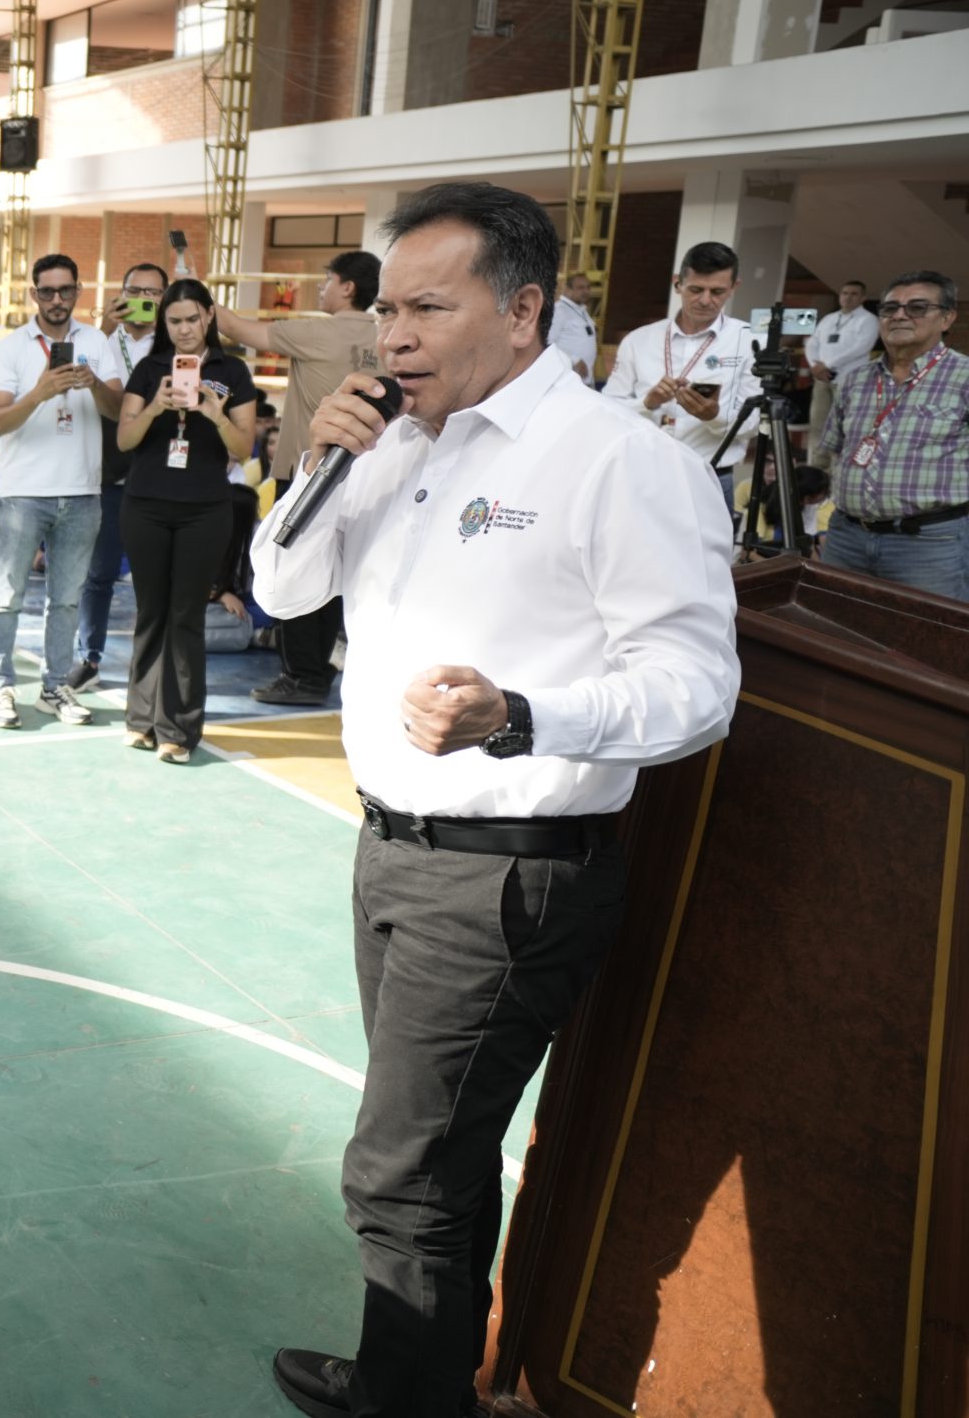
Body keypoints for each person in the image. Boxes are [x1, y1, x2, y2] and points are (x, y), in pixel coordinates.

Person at [254, 181, 738, 1418]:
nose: (392, 337)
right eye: (387, 312)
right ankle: (411, 1382)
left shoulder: (616, 462)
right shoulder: (397, 444)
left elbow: (696, 686)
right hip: (393, 851)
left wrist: (518, 714)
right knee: (441, 1163)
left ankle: (409, 1400)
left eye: (426, 308)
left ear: (523, 312)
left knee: (400, 1174)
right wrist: (320, 465)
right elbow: (282, 592)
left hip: (506, 872)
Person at [218, 249, 383, 708]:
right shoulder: (384, 335)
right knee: (334, 578)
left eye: (328, 280)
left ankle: (302, 675)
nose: (321, 288)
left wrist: (192, 288)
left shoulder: (317, 331)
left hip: (310, 471)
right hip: (364, 475)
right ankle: (318, 667)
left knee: (293, 570)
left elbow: (237, 328)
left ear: (348, 287)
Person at [0, 254, 125, 730]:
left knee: (66, 599)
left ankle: (55, 686)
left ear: (78, 291)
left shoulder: (96, 341)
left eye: (65, 290)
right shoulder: (10, 348)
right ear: (33, 294)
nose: (57, 299)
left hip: (82, 490)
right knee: (7, 595)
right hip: (23, 491)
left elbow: (118, 409)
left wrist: (93, 383)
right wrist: (40, 391)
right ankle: (1, 687)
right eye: (47, 291)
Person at [114, 278, 257, 761]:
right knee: (151, 613)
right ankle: (141, 720)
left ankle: (178, 729)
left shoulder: (232, 371)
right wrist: (156, 406)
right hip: (145, 504)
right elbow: (125, 440)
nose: (184, 329)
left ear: (209, 316)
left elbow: (244, 447)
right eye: (174, 321)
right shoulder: (150, 369)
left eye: (192, 319)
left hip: (205, 509)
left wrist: (215, 415)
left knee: (186, 617)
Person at [817, 271, 967, 600]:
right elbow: (835, 451)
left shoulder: (964, 378)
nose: (899, 315)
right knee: (836, 624)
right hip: (846, 538)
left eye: (917, 307)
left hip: (930, 545)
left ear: (947, 318)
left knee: (927, 630)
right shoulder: (855, 380)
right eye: (889, 308)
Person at [74, 262, 168, 691]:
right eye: (135, 290)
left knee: (156, 578)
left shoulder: (174, 346)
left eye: (153, 293)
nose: (143, 300)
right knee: (99, 573)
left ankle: (152, 667)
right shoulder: (99, 342)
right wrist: (105, 326)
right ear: (120, 293)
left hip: (158, 473)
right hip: (107, 472)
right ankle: (88, 659)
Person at [602, 241, 758, 493]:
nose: (705, 300)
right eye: (696, 289)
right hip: (643, 471)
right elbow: (608, 409)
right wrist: (647, 403)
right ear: (678, 283)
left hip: (710, 476)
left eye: (717, 292)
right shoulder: (639, 340)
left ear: (733, 288)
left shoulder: (749, 341)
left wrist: (714, 417)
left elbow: (753, 423)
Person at [803, 278, 879, 469]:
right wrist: (814, 365)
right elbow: (812, 343)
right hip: (823, 379)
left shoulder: (868, 320)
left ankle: (840, 468)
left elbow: (861, 347)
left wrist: (827, 364)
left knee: (845, 425)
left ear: (863, 298)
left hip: (849, 380)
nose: (848, 297)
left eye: (854, 294)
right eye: (845, 293)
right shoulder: (829, 319)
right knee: (818, 423)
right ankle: (818, 467)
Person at [546, 265, 599, 385]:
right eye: (580, 288)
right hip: (565, 380)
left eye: (588, 287)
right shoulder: (559, 311)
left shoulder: (582, 310)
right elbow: (547, 342)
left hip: (583, 379)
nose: (586, 291)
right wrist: (574, 360)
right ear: (567, 289)